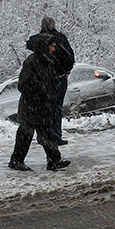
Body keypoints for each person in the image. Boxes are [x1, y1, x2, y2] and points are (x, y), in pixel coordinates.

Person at [9, 33, 71, 172]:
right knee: (26, 134)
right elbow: (22, 85)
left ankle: (54, 161)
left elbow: (53, 80)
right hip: (31, 106)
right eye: (53, 46)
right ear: (45, 46)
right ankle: (16, 160)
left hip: (43, 106)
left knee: (47, 135)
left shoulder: (49, 61)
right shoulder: (31, 62)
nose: (54, 49)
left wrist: (53, 89)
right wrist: (39, 91)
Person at [40, 16, 75, 146]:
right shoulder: (59, 38)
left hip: (44, 80)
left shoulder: (38, 40)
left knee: (45, 108)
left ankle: (44, 135)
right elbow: (69, 56)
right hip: (59, 77)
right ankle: (56, 135)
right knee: (57, 107)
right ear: (53, 25)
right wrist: (65, 70)